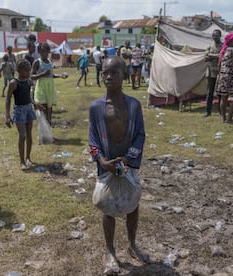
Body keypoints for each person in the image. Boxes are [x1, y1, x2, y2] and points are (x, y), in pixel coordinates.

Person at [88, 56, 148, 274]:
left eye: (115, 72)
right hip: (107, 165)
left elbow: (140, 134)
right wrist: (103, 161)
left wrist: (129, 158)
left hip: (127, 163)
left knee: (133, 203)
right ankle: (110, 251)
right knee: (108, 207)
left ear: (126, 75)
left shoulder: (133, 106)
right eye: (105, 73)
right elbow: (93, 140)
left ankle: (132, 245)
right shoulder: (96, 108)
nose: (109, 77)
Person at [6, 59, 44, 170]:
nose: (28, 73)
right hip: (19, 111)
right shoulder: (13, 83)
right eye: (26, 71)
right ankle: (22, 161)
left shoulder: (28, 82)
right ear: (19, 71)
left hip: (28, 109)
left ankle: (28, 157)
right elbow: (8, 99)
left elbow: (28, 97)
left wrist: (35, 104)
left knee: (29, 135)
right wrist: (8, 116)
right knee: (22, 136)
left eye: (29, 70)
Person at [31, 43, 68, 125]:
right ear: (39, 52)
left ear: (48, 52)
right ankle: (43, 134)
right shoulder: (37, 62)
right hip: (41, 88)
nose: (44, 54)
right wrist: (42, 74)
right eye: (42, 52)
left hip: (50, 88)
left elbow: (51, 75)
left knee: (49, 110)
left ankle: (49, 133)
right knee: (43, 110)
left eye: (46, 52)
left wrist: (60, 75)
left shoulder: (50, 61)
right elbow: (31, 76)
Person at [203, 29, 223, 117]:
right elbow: (205, 58)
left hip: (220, 72)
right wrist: (214, 56)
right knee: (209, 93)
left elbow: (221, 56)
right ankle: (208, 111)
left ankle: (221, 111)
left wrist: (211, 56)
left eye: (216, 35)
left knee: (220, 93)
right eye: (213, 35)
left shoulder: (223, 46)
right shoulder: (209, 46)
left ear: (220, 36)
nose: (214, 37)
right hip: (210, 72)